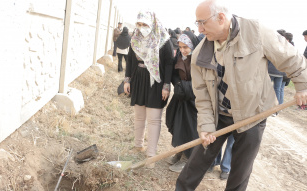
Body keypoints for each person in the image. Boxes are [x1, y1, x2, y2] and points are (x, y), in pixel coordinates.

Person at [175, 0, 307, 190]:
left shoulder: (256, 32)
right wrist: (205, 125)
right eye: (197, 23)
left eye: (202, 22)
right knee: (196, 162)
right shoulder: (199, 55)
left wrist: (303, 86)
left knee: (240, 173)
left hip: (252, 113)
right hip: (218, 114)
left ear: (221, 17)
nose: (200, 29)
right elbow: (202, 96)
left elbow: (290, 57)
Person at [124, 10, 174, 168]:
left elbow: (168, 64)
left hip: (156, 81)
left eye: (144, 24)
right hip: (139, 79)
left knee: (153, 119)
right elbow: (130, 60)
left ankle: (151, 155)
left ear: (152, 23)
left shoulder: (164, 40)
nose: (141, 27)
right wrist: (127, 80)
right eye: (139, 24)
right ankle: (138, 145)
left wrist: (166, 85)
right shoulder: (135, 39)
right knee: (139, 116)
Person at [165, 31, 199, 173]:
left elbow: (201, 80)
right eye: (180, 47)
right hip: (180, 97)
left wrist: (185, 87)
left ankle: (187, 159)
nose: (183, 50)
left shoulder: (198, 59)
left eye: (186, 47)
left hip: (193, 99)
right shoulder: (178, 56)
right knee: (175, 123)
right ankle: (180, 151)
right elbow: (173, 73)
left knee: (189, 128)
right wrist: (178, 84)